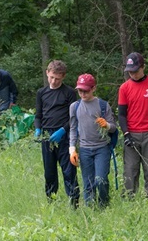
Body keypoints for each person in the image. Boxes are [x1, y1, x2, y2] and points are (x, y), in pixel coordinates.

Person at [118, 52, 148, 204]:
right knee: (130, 170)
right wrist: (126, 133)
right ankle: (129, 202)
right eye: (130, 71)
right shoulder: (124, 88)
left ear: (143, 67)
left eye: (136, 70)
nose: (133, 74)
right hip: (132, 133)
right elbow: (121, 114)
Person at [34, 60, 80, 207]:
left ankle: (74, 203)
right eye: (51, 77)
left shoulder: (70, 93)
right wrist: (38, 129)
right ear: (47, 73)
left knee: (69, 171)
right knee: (49, 173)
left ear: (63, 77)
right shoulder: (42, 93)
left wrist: (63, 130)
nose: (54, 81)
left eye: (57, 79)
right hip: (47, 137)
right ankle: (51, 203)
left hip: (64, 136)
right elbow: (38, 115)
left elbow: (74, 117)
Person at [69, 73, 117, 208]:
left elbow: (113, 128)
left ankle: (104, 205)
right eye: (80, 91)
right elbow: (73, 129)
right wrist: (72, 149)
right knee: (88, 183)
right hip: (84, 149)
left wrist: (106, 125)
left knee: (100, 180)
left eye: (86, 90)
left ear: (93, 88)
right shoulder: (75, 107)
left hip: (102, 148)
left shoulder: (102, 105)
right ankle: (91, 210)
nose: (83, 94)